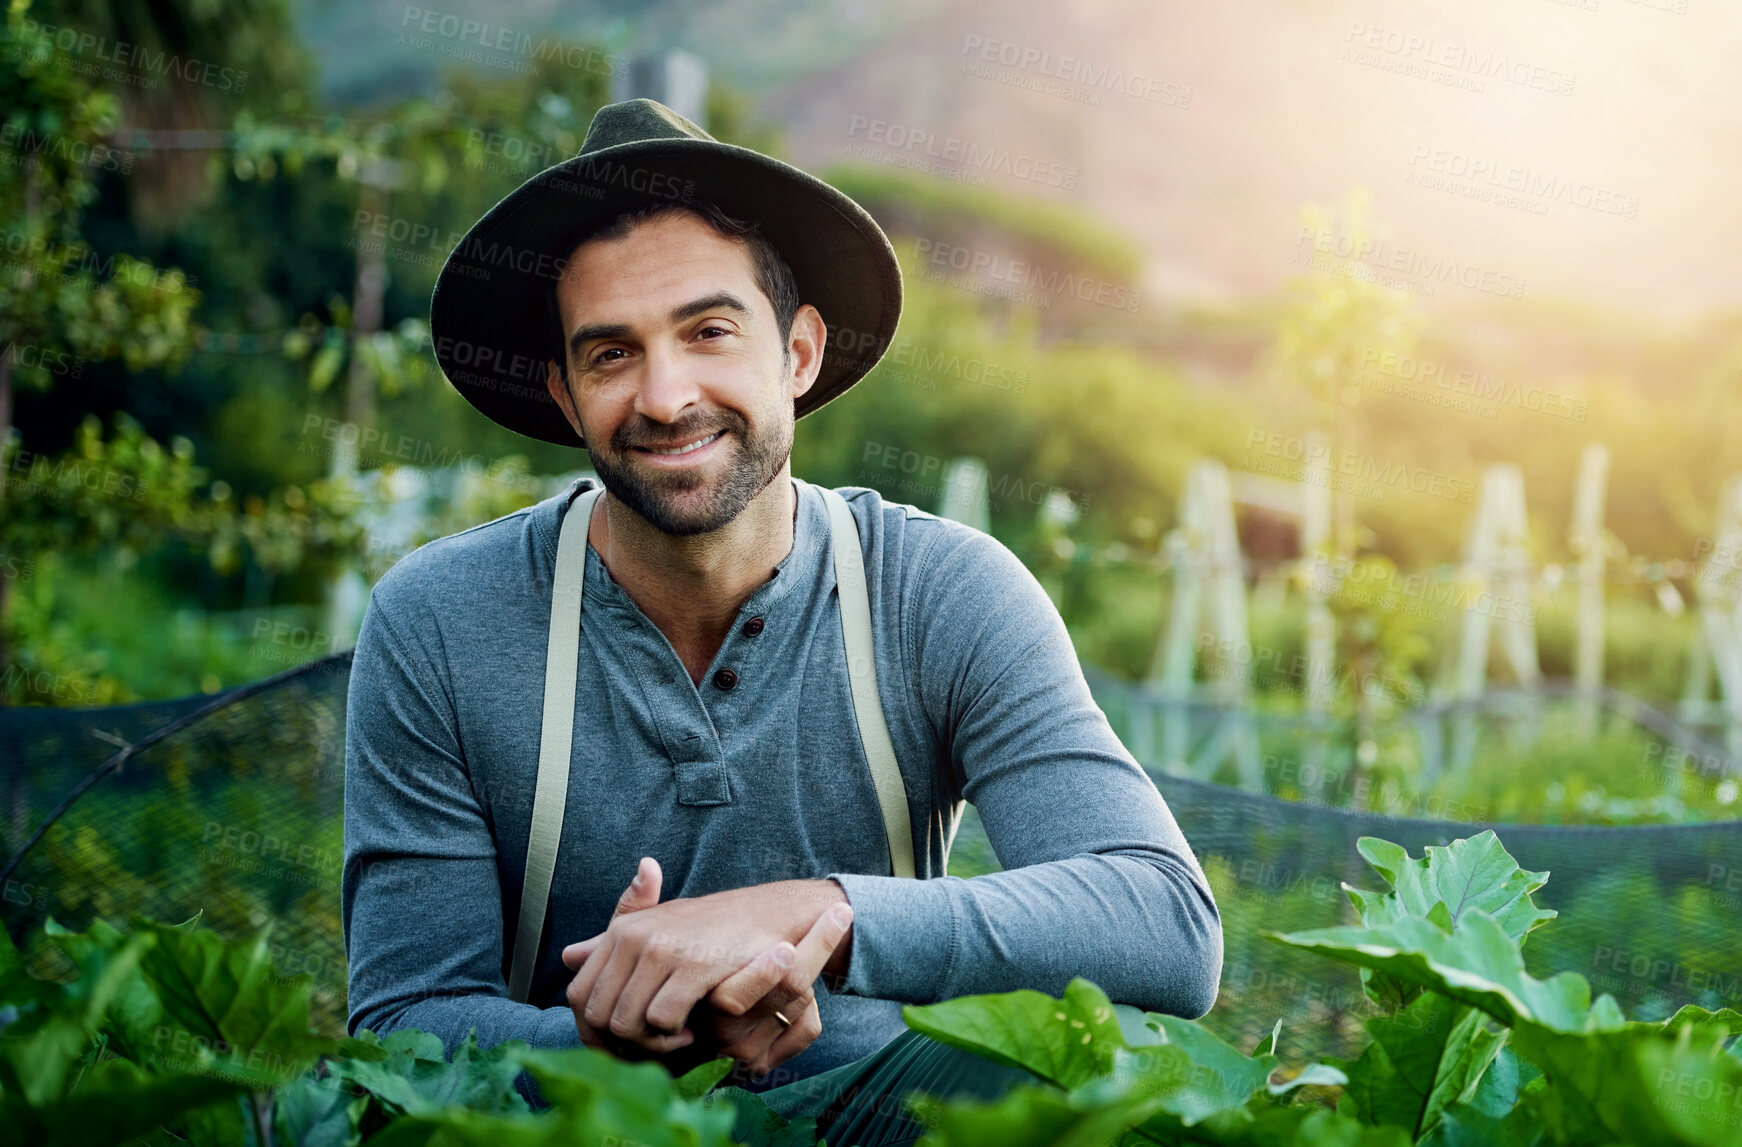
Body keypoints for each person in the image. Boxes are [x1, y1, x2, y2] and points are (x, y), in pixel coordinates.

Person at [341, 97, 1222, 1146]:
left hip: (880, 1117)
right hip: (588, 1124)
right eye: (611, 353)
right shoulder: (439, 621)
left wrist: (816, 915)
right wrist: (639, 1040)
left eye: (708, 332)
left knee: (1125, 1061)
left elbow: (1162, 920)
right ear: (566, 396)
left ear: (797, 354)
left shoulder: (939, 590)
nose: (666, 396)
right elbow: (404, 1029)